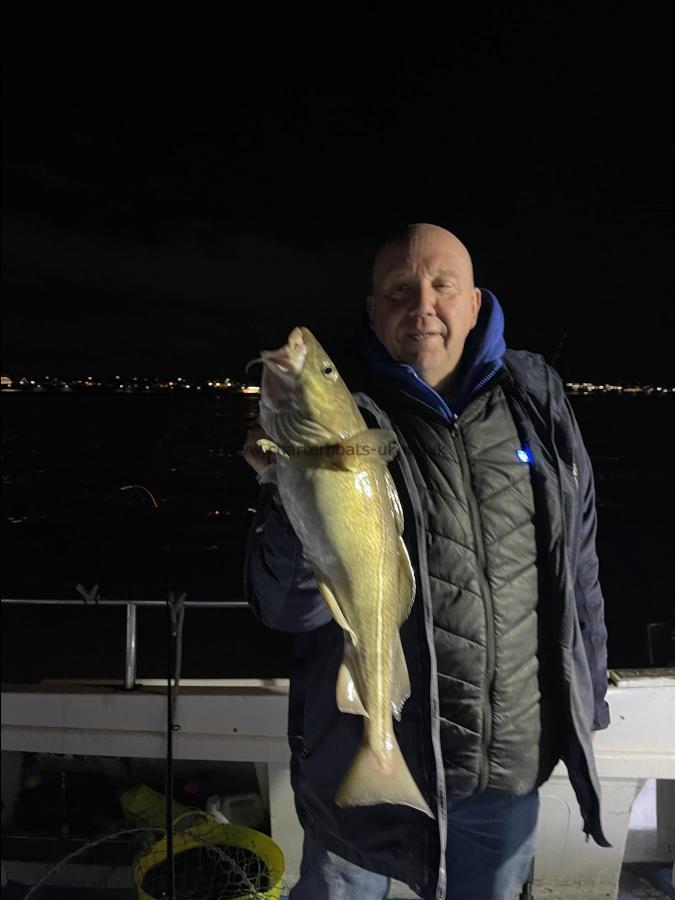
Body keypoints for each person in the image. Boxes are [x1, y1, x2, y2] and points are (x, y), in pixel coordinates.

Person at [242, 223, 610, 900]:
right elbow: (285, 606)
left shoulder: (536, 396)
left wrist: (587, 700)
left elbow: (577, 566)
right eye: (399, 289)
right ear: (372, 308)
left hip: (505, 763)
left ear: (474, 303)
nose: (423, 304)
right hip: (357, 756)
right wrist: (292, 495)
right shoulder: (344, 420)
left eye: (443, 285)